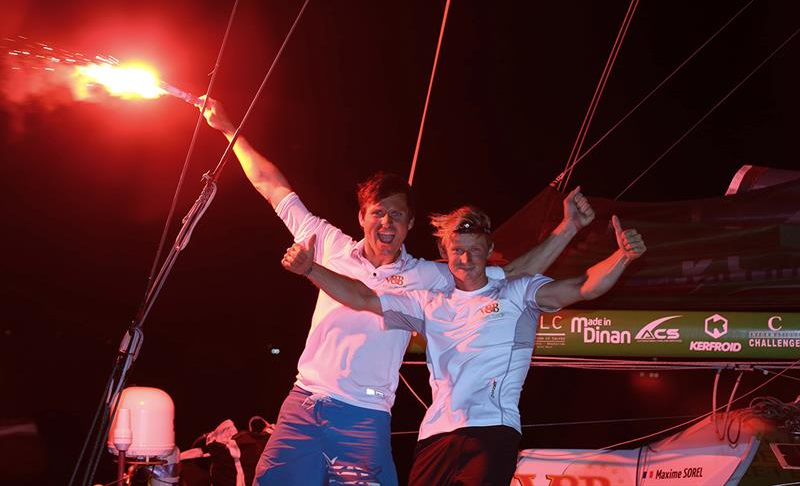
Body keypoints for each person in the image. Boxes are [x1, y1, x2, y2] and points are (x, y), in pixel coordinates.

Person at [199, 98, 597, 485]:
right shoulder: (327, 242)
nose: (387, 222)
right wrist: (230, 130)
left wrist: (567, 230)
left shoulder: (428, 277)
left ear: (408, 226)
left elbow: (507, 275)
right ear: (362, 217)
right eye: (378, 212)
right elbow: (271, 186)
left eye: (398, 215)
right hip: (303, 403)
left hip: (365, 414)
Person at [281, 206, 646, 485]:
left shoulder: (518, 291)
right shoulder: (429, 301)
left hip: (491, 431)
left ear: (489, 249)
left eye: (474, 250)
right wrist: (311, 269)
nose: (465, 259)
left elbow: (583, 285)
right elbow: (363, 297)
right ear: (445, 249)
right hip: (434, 437)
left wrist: (622, 257)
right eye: (457, 250)